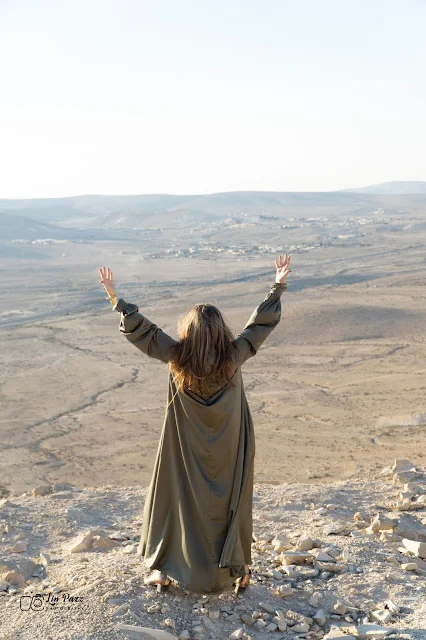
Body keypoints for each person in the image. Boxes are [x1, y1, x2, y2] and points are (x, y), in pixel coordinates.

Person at [99, 254, 291, 594]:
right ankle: (240, 568)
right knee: (231, 502)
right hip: (230, 447)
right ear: (220, 331)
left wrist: (116, 299)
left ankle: (162, 570)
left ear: (189, 331)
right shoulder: (234, 355)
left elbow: (144, 332)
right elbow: (259, 326)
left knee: (174, 500)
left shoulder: (176, 356)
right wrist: (277, 285)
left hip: (184, 448)